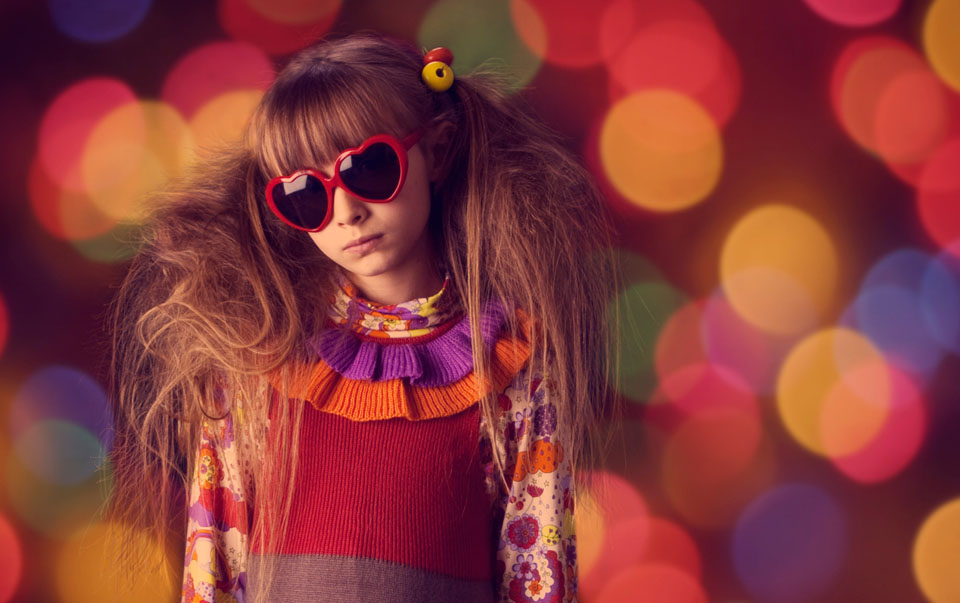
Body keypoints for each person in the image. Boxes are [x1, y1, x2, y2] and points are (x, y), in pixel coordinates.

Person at [103, 30, 623, 603]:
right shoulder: (257, 356)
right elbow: (215, 569)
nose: (346, 212)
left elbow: (536, 574)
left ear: (437, 151)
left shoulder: (510, 367)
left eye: (370, 168)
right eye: (306, 193)